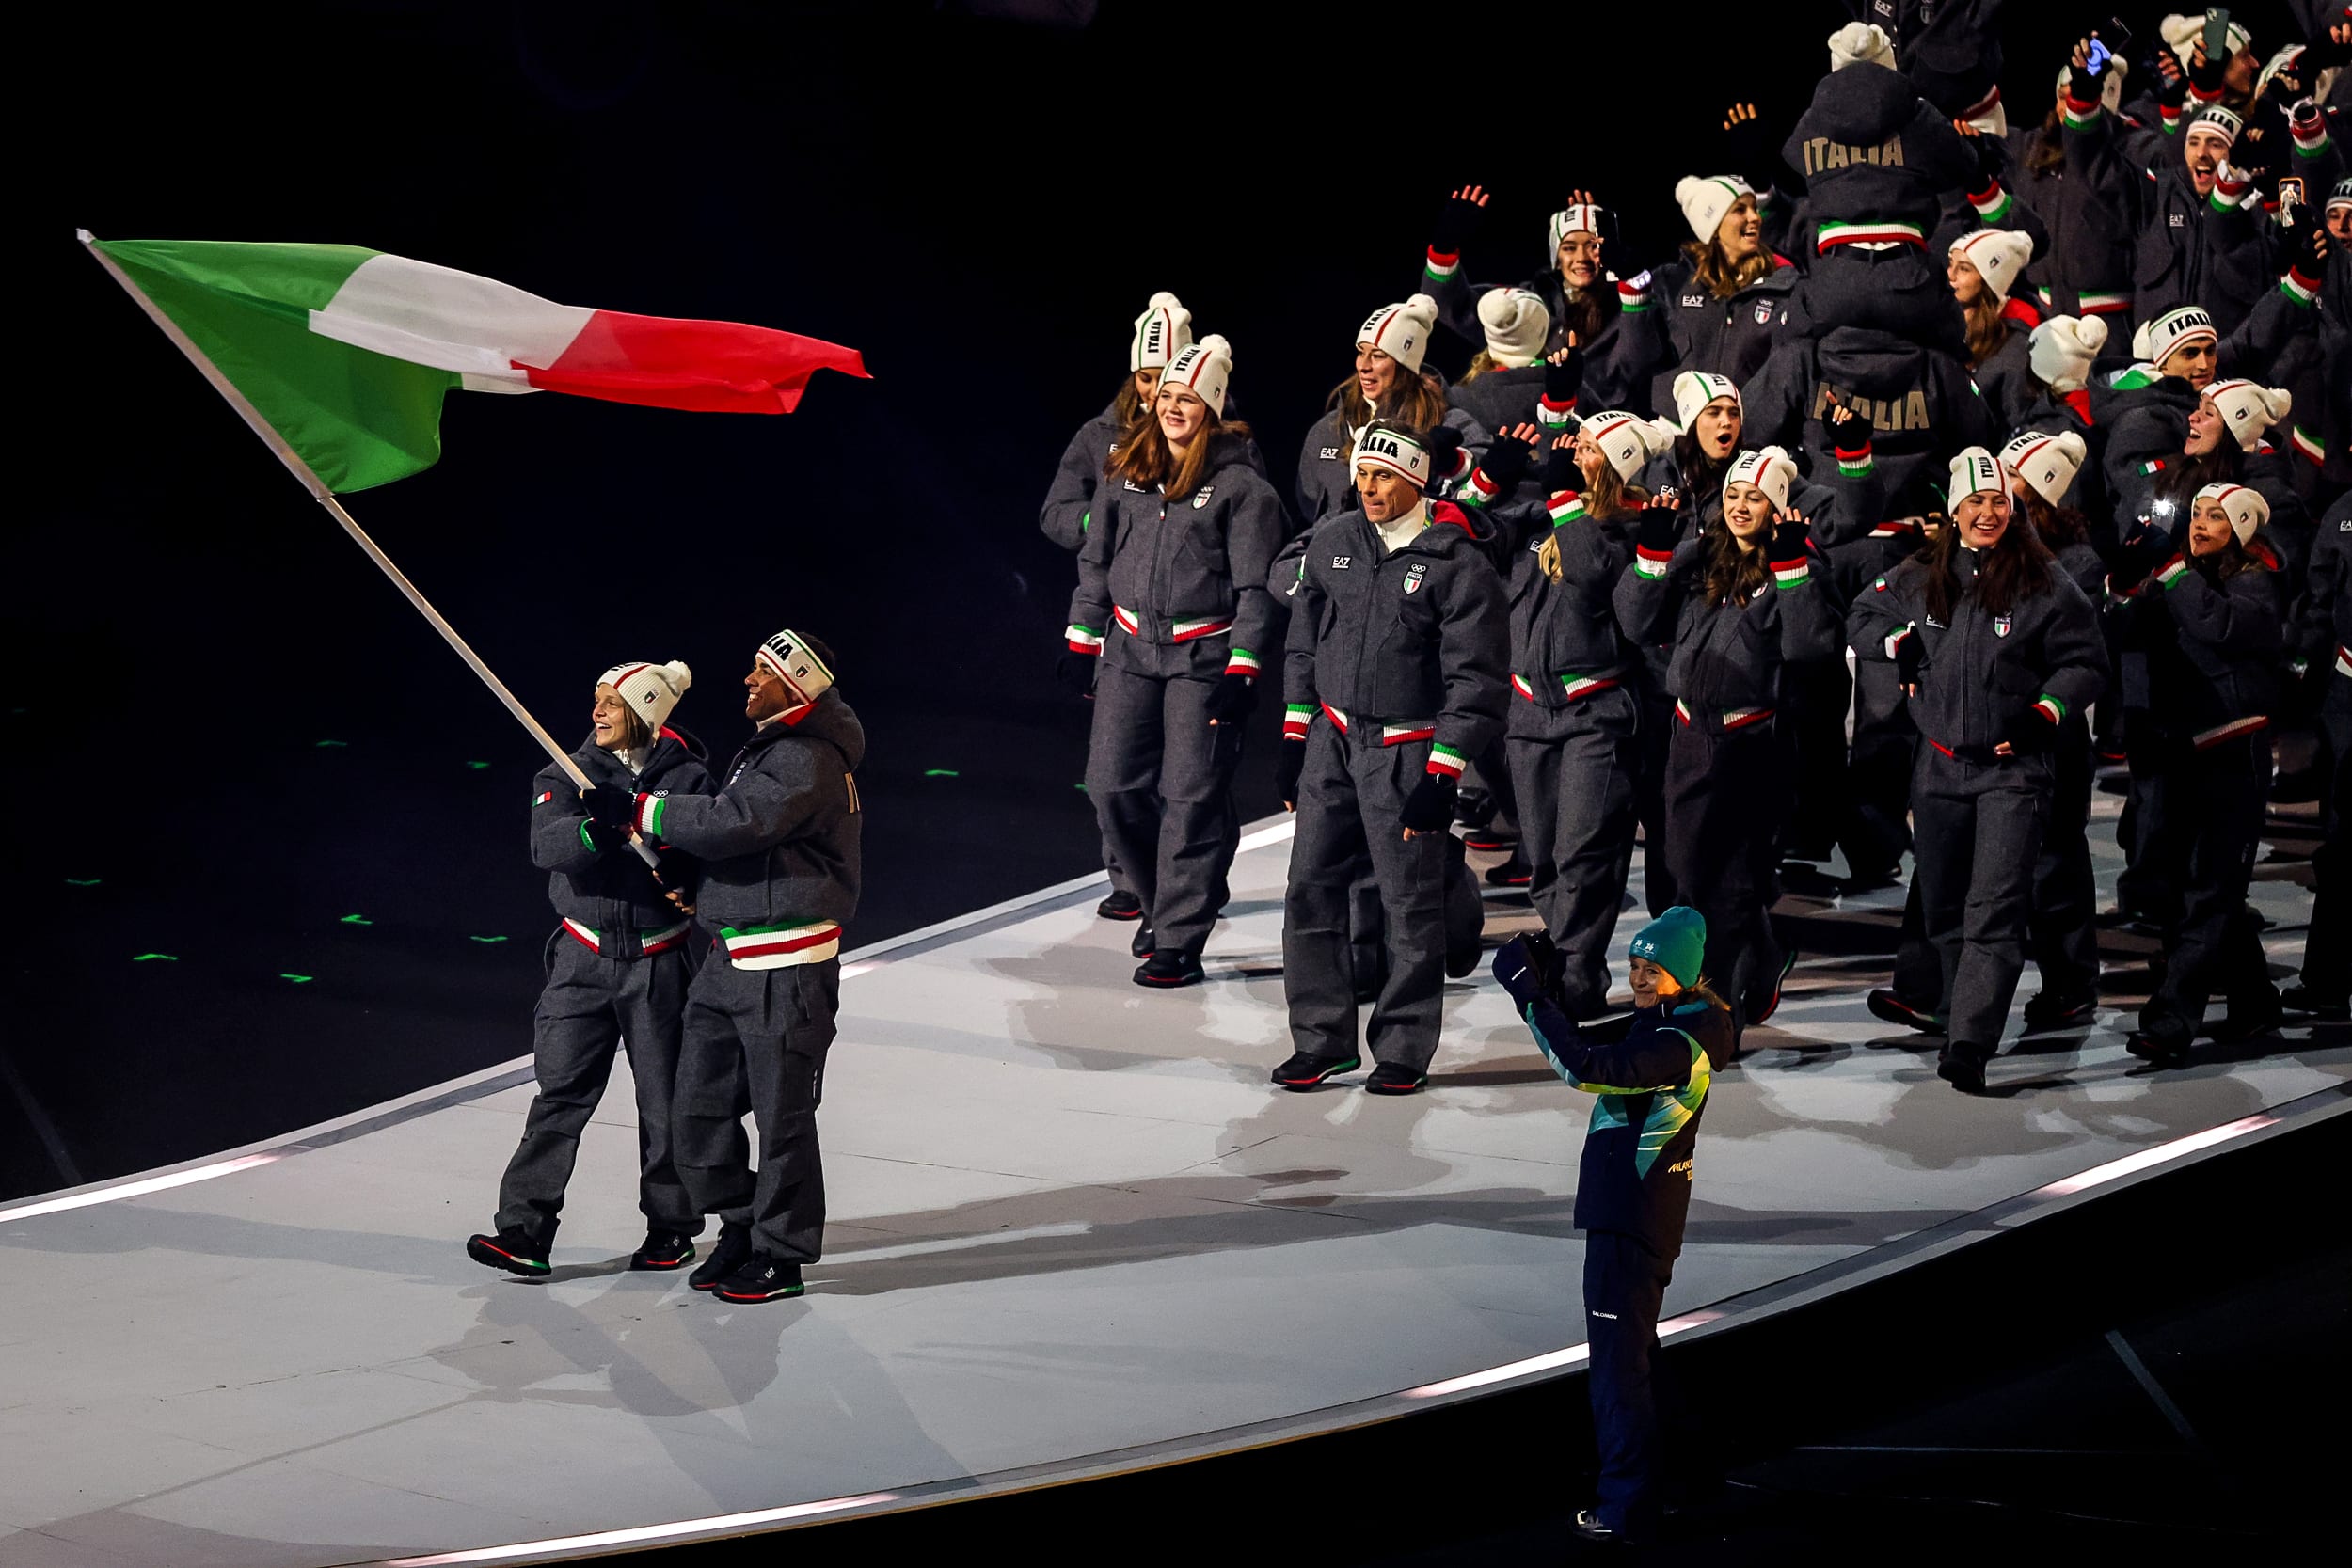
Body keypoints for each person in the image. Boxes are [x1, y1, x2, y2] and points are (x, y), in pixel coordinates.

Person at [586, 629, 863, 1303]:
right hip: (728, 956)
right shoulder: (768, 746)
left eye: (762, 673)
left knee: (783, 1119)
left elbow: (741, 821)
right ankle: (741, 1222)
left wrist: (642, 810)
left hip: (786, 965)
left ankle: (782, 1253)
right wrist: (698, 882)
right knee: (693, 1114)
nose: (747, 680)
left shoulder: (807, 758)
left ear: (795, 687)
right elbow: (744, 841)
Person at [1851, 449, 2109, 1092]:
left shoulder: (2043, 580)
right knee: (1942, 908)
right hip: (1938, 770)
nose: (1988, 511)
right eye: (1976, 502)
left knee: (1993, 910)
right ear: (1954, 512)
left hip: (2012, 773)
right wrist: (1897, 644)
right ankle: (1950, 1005)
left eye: (1998, 501)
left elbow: (2085, 660)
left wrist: (2045, 713)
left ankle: (1969, 1041)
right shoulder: (1922, 574)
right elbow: (1861, 617)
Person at [1273, 420, 1507, 1093]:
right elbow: (1302, 644)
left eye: (1384, 476)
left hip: (1407, 749)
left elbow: (1478, 678)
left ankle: (1403, 1045)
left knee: (1407, 903)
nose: (1369, 488)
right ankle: (1321, 1041)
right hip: (1332, 742)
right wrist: (1295, 735)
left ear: (1417, 479)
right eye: (1362, 474)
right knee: (1309, 889)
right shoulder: (1335, 541)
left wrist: (1444, 771)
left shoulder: (1457, 563)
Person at [1492, 906, 1734, 1546]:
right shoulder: (1681, 1021)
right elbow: (1595, 1037)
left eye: (1652, 969)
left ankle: (1627, 1505)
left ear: (1680, 974)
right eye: (1634, 966)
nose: (1638, 979)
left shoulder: (1675, 1044)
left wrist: (1526, 995)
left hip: (1631, 1216)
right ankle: (1683, 1480)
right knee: (1637, 1353)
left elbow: (1585, 1067)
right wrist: (1547, 994)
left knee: (1616, 1369)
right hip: (1641, 1211)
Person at [467, 660, 713, 1277]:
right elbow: (547, 848)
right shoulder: (565, 772)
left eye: (612, 701)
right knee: (561, 1093)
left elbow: (710, 845)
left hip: (660, 962)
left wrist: (687, 867)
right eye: (596, 699)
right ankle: (524, 1228)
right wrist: (595, 828)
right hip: (583, 962)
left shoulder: (689, 777)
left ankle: (671, 1226)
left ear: (646, 711)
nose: (597, 712)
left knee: (665, 1104)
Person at [1066, 338, 1284, 987]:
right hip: (1130, 651)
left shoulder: (1243, 490)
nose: (1173, 407)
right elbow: (1096, 561)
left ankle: (1179, 935)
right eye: (1166, 396)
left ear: (1212, 406)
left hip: (1203, 656)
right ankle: (1167, 898)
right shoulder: (1126, 471)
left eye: (1188, 398)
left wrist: (1244, 666)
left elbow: (1255, 590)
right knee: (1109, 785)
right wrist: (1082, 637)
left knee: (1189, 795)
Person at [1614, 446, 1836, 1033]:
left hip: (1751, 744)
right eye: (1734, 495)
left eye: (1755, 498)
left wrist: (1791, 571)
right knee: (1687, 876)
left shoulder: (1797, 564)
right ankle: (1762, 956)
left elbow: (1808, 648)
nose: (1740, 506)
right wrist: (1652, 553)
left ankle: (1716, 1015)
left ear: (1776, 508)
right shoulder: (1698, 559)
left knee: (1731, 885)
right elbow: (1636, 623)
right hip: (1689, 738)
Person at [2107, 484, 2286, 1066]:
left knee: (2207, 893)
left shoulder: (2256, 582)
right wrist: (2123, 585)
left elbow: (2219, 628)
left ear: (2242, 529)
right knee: (2195, 891)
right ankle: (2256, 1001)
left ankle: (2170, 1021)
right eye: (2198, 513)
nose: (2201, 523)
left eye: (2218, 516)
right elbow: (2122, 633)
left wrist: (2172, 572)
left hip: (2235, 752)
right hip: (2183, 752)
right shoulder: (2178, 576)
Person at [1041, 292, 1193, 925]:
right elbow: (1054, 514)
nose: (1155, 390)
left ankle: (1182, 888)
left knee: (1178, 772)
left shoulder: (1214, 436)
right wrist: (1104, 522)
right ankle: (1129, 875)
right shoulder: (1097, 435)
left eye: (1166, 378)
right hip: (1115, 621)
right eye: (1144, 377)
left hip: (1190, 631)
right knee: (1116, 760)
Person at [1495, 424, 1640, 1019]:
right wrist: (1495, 471)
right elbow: (1468, 529)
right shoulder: (1537, 522)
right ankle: (1574, 962)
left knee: (1583, 856)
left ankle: (1575, 983)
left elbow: (1592, 573)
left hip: (1593, 714)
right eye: (1575, 446)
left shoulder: (1632, 530)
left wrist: (1564, 502)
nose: (1575, 455)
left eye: (1589, 450)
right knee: (1544, 863)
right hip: (1528, 711)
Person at [2002, 431, 2106, 1029]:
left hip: (2054, 739)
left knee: (2057, 862)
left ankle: (2070, 983)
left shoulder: (2078, 564)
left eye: (2010, 480)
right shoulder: (1986, 549)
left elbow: (2071, 656)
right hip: (1995, 737)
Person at [1420, 189, 1661, 414]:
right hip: (1530, 426)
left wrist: (1630, 281)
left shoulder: (1627, 304)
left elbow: (1636, 363)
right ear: (1556, 254)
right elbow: (1450, 305)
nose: (1582, 258)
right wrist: (1443, 250)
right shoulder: (1532, 300)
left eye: (1593, 247)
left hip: (1601, 436)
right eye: (1569, 247)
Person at [1295, 294, 1486, 525]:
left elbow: (1481, 492)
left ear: (1405, 366)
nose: (1363, 366)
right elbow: (1307, 518)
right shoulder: (1327, 429)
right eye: (1360, 352)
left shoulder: (1449, 424)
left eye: (1378, 356)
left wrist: (1451, 462)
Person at [2010, 37, 2141, 324]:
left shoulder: (2132, 151)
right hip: (2048, 312)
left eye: (2076, 97)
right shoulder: (2035, 150)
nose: (2065, 107)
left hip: (2110, 319)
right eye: (2062, 96)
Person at [1647, 173, 1797, 415]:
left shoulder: (1783, 285)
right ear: (1713, 226)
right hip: (1680, 437)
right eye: (1740, 210)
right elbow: (1642, 361)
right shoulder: (1674, 283)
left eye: (1754, 209)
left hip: (1749, 435)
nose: (1755, 217)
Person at [2286, 490, 2351, 1018]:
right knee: (2343, 844)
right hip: (2348, 696)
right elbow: (2318, 599)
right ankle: (2328, 981)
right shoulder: (2344, 512)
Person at [1947, 228, 2042, 429]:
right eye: (1951, 264)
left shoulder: (2015, 352)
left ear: (1990, 281)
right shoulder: (1937, 328)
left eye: (1964, 269)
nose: (1951, 275)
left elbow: (2019, 425)